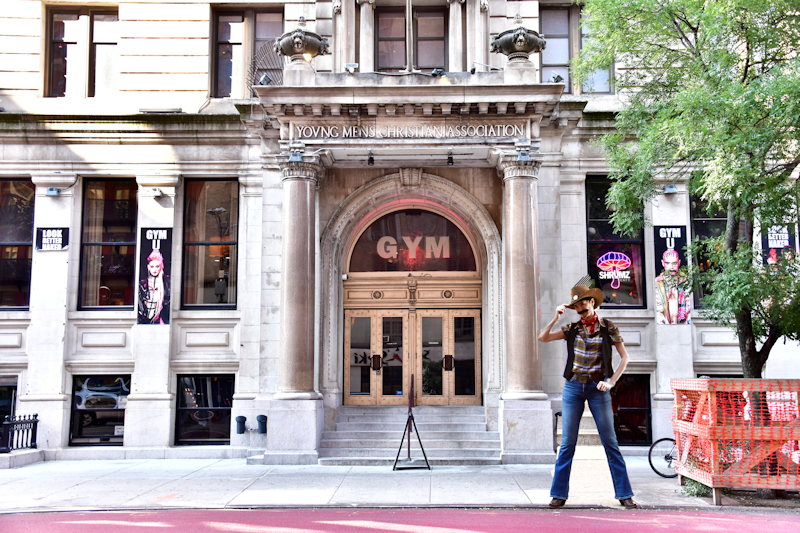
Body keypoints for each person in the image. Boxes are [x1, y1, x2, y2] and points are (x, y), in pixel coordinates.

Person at [538, 283, 639, 509]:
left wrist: (611, 382)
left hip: (597, 388)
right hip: (573, 388)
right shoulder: (572, 329)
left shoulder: (608, 328)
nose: (581, 311)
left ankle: (624, 494)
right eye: (577, 307)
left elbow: (625, 358)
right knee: (567, 444)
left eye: (583, 305)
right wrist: (555, 317)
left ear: (592, 303)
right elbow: (543, 338)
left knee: (610, 441)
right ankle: (559, 495)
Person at [654, 249, 690, 324]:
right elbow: (657, 310)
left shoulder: (686, 282)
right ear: (662, 263)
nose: (671, 267)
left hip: (683, 326)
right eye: (668, 263)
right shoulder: (657, 283)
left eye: (674, 263)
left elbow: (689, 307)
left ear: (679, 262)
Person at [138, 249, 170, 324]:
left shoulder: (167, 283)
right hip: (144, 320)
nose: (154, 269)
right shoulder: (142, 285)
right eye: (152, 266)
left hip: (161, 321)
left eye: (157, 266)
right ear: (148, 267)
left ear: (161, 266)